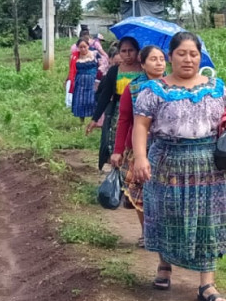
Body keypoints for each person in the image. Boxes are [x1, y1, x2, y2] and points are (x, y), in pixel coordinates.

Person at [129, 32, 226, 301]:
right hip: (167, 160)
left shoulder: (217, 88)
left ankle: (207, 284)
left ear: (200, 57)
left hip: (209, 164)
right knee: (168, 214)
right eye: (181, 53)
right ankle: (164, 266)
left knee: (207, 220)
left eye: (193, 54)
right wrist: (140, 158)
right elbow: (140, 125)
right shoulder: (153, 90)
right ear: (170, 57)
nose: (188, 59)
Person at [113, 45, 166, 248]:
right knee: (140, 191)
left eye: (162, 59)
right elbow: (124, 120)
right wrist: (118, 151)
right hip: (139, 147)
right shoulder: (134, 88)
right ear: (142, 64)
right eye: (153, 59)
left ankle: (162, 231)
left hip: (166, 147)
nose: (159, 63)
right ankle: (146, 232)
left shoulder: (174, 86)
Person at [88, 36, 143, 170]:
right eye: (123, 51)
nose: (128, 54)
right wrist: (95, 118)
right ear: (119, 52)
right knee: (118, 144)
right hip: (120, 112)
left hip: (141, 111)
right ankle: (120, 177)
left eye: (131, 50)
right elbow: (105, 95)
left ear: (137, 51)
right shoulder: (115, 71)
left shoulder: (144, 70)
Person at [70, 37, 100, 120]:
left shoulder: (94, 54)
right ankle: (81, 119)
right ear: (78, 47)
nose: (83, 49)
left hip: (92, 82)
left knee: (92, 99)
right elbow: (71, 70)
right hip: (80, 83)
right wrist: (68, 80)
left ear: (88, 46)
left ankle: (94, 119)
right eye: (81, 47)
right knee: (80, 100)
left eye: (85, 47)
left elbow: (101, 66)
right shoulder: (75, 57)